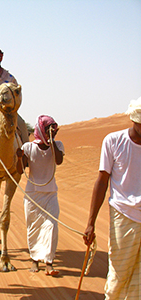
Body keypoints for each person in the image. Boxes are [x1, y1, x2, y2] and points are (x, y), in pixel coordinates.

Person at [83, 98, 141, 299]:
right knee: (118, 275)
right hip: (123, 214)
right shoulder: (114, 141)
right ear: (134, 120)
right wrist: (90, 223)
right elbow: (101, 181)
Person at [16, 115, 64, 275]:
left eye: (54, 129)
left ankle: (49, 262)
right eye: (49, 129)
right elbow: (19, 169)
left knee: (51, 226)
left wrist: (51, 143)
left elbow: (58, 161)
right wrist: (19, 157)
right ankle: (35, 260)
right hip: (33, 195)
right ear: (41, 130)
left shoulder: (57, 145)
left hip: (50, 193)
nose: (53, 132)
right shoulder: (29, 147)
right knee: (34, 228)